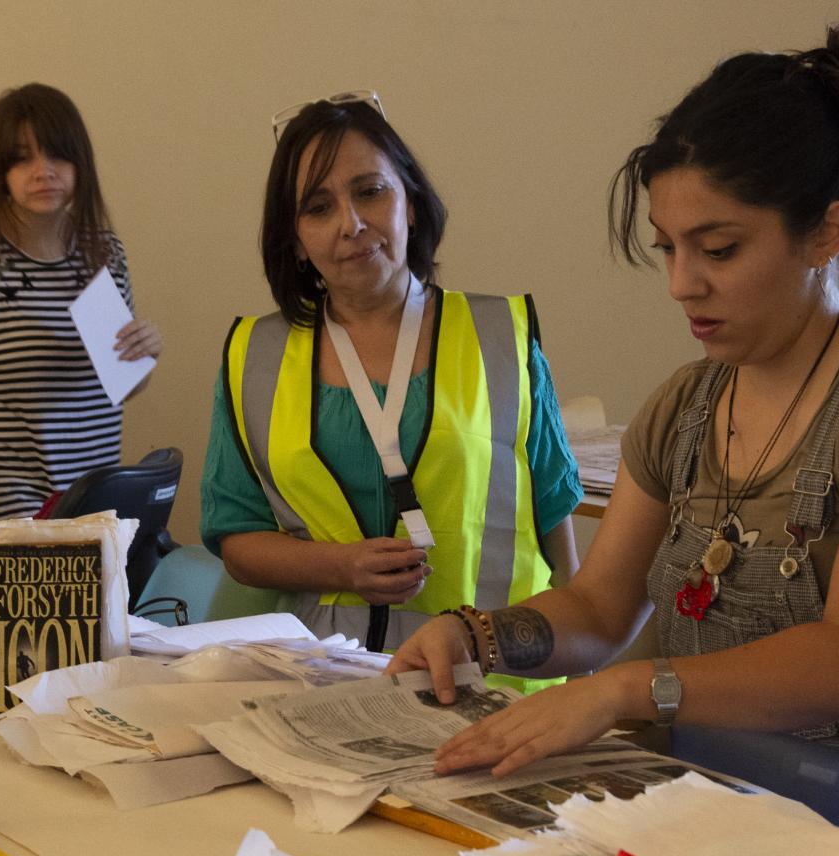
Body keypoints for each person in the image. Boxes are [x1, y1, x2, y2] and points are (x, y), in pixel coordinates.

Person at [389, 11, 839, 856]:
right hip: (716, 822)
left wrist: (622, 692)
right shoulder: (687, 404)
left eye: (719, 248)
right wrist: (474, 634)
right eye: (669, 248)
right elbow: (602, 612)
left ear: (827, 233)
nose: (684, 283)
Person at [201, 94, 584, 658]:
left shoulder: (499, 335)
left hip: (492, 686)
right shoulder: (253, 355)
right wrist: (343, 565)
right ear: (296, 240)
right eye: (318, 207)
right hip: (327, 683)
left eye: (369, 192)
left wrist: (583, 668)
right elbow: (236, 540)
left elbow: (553, 518)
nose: (351, 224)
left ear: (409, 203)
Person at [0, 83, 162, 526]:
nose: (43, 171)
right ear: (0, 171)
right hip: (3, 525)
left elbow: (120, 386)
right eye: (23, 158)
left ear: (80, 163)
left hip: (92, 512)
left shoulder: (104, 252)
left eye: (58, 154)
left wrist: (143, 354)